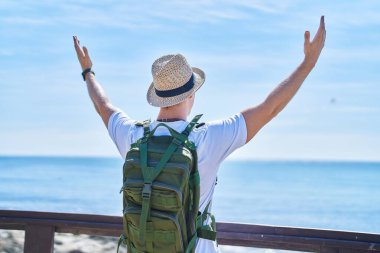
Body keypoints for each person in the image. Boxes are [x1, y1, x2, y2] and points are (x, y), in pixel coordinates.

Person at [73, 16, 326, 253]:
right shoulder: (208, 138)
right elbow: (269, 108)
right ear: (191, 94)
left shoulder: (134, 136)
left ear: (159, 97)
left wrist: (88, 73)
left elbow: (102, 106)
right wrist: (308, 64)